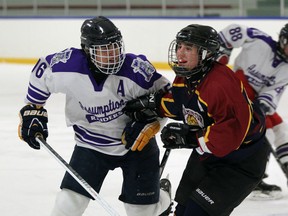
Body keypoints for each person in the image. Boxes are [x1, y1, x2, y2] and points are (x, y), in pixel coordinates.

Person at [18, 16, 173, 216]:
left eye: (116, 47)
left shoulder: (135, 69)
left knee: (142, 212)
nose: (113, 55)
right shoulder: (68, 65)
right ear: (87, 50)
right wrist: (33, 109)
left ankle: (165, 196)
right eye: (104, 50)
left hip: (136, 147)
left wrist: (153, 124)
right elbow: (41, 72)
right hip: (90, 145)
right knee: (66, 207)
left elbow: (168, 98)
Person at [123, 24, 270, 216]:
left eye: (188, 48)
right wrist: (152, 104)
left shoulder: (220, 85)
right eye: (179, 46)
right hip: (209, 154)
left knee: (197, 213)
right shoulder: (187, 75)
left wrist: (190, 138)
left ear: (206, 53)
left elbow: (232, 134)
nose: (180, 53)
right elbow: (181, 104)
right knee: (182, 210)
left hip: (240, 161)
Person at [217, 23, 288, 200]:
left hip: (253, 100)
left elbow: (272, 94)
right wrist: (222, 52)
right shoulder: (260, 41)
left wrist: (263, 107)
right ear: (283, 40)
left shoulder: (286, 69)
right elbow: (233, 31)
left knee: (280, 128)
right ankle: (252, 179)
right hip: (235, 90)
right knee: (265, 132)